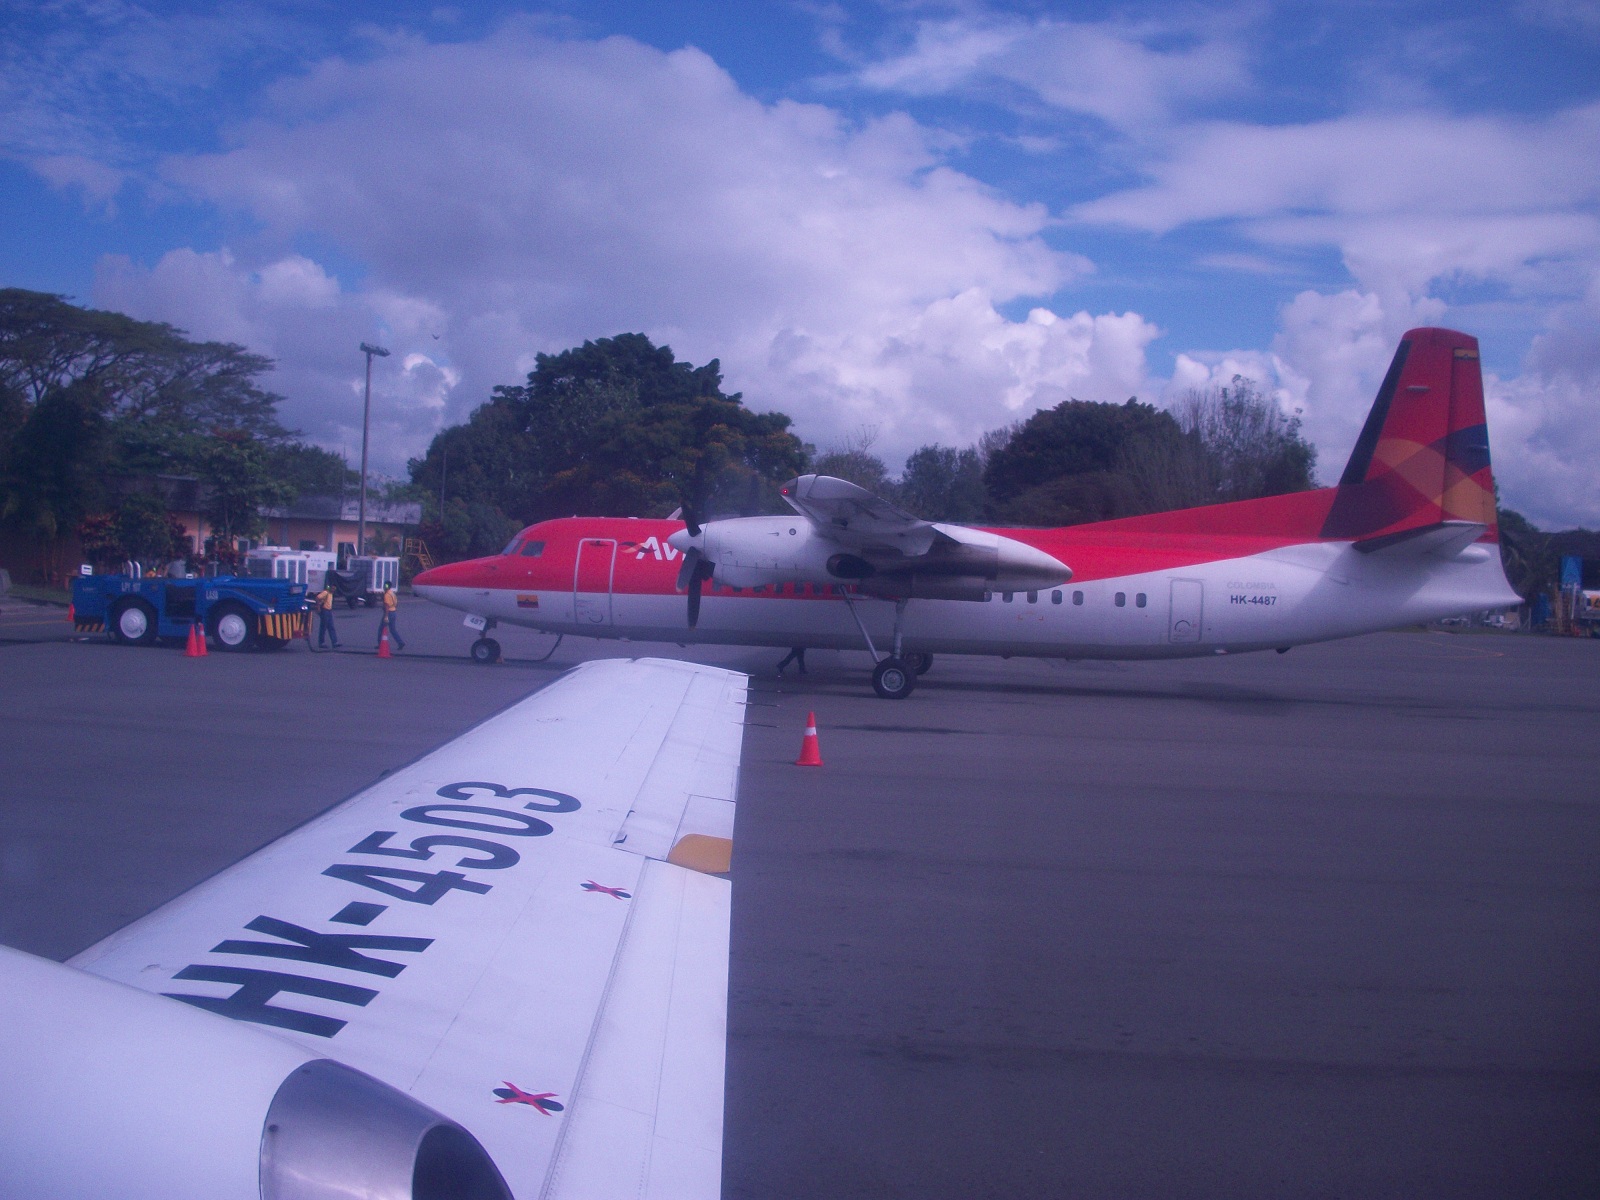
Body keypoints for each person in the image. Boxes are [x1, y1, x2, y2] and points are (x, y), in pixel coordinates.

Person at [377, 581, 405, 651]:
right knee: (393, 630)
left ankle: (380, 644)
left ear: (386, 586)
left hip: (388, 613)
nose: (384, 587)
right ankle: (400, 642)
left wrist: (386, 616)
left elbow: (386, 606)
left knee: (381, 629)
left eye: (384, 586)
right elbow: (396, 604)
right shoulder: (392, 593)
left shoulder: (387, 595)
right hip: (393, 612)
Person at [313, 582, 341, 650]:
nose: (333, 590)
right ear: (330, 587)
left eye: (334, 589)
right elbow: (317, 598)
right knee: (323, 627)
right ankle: (321, 642)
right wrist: (318, 607)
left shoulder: (331, 593)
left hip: (329, 611)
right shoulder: (325, 592)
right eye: (332, 588)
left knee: (331, 627)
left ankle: (335, 642)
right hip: (324, 611)